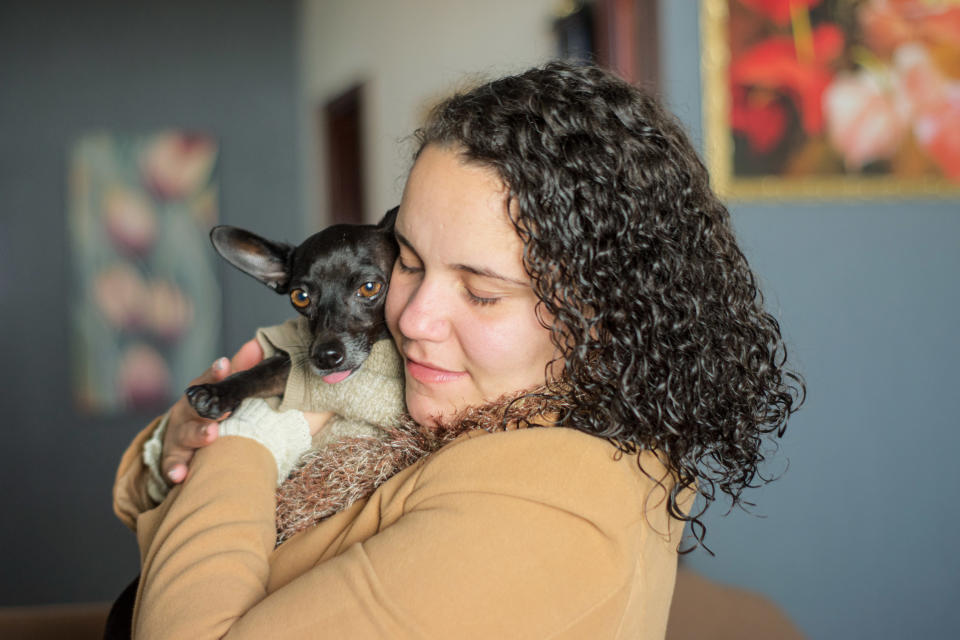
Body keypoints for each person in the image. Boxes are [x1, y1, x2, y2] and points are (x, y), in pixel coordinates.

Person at [112, 61, 803, 639]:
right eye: (407, 261)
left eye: (481, 291)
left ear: (603, 320)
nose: (411, 317)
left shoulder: (550, 505)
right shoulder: (472, 413)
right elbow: (167, 520)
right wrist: (172, 451)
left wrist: (247, 435)